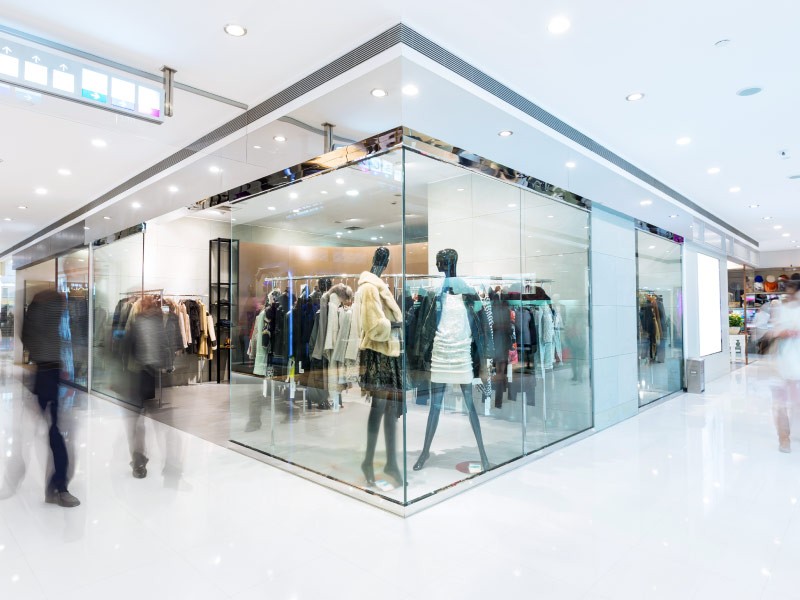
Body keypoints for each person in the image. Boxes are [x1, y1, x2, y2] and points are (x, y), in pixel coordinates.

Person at [20, 290, 80, 507]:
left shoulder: (41, 308)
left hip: (50, 373)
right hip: (51, 375)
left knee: (53, 432)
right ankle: (59, 487)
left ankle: (55, 486)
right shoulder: (51, 308)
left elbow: (26, 337)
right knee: (56, 433)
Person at [767, 281, 800, 453]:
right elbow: (774, 331)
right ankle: (784, 438)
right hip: (782, 364)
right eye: (788, 293)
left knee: (795, 403)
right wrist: (785, 332)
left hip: (796, 365)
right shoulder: (781, 310)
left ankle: (791, 434)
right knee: (780, 403)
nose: (791, 296)